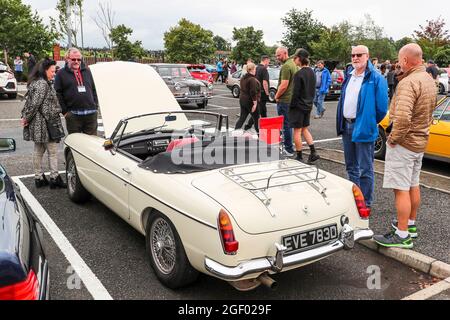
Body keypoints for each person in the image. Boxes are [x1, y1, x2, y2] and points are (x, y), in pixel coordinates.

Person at [373, 44, 437, 249]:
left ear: (406, 61)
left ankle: (402, 235)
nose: (398, 63)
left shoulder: (409, 82)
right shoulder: (428, 79)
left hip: (405, 143)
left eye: (400, 59)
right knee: (412, 184)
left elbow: (402, 118)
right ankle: (410, 224)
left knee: (400, 189)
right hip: (420, 142)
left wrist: (393, 139)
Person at [336, 45, 388, 208]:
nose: (355, 58)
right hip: (347, 125)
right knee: (351, 166)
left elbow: (381, 108)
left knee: (365, 168)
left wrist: (368, 120)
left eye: (359, 55)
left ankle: (366, 202)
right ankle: (355, 199)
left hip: (364, 126)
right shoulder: (349, 75)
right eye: (353, 55)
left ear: (367, 56)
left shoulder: (376, 78)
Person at [21, 58, 67, 189]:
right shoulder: (42, 84)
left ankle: (39, 177)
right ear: (44, 70)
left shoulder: (37, 82)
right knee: (52, 151)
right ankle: (54, 177)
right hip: (45, 123)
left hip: (39, 123)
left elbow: (32, 103)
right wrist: (26, 118)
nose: (54, 73)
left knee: (38, 150)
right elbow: (35, 104)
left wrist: (26, 118)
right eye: (52, 71)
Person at [54, 48, 99, 135]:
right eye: (73, 59)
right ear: (67, 59)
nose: (76, 61)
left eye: (79, 59)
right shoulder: (61, 74)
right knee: (76, 143)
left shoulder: (87, 72)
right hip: (73, 115)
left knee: (91, 143)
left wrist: (95, 106)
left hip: (91, 113)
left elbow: (94, 89)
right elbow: (58, 94)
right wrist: (65, 112)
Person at [289, 49, 320, 164]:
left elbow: (295, 93)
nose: (294, 60)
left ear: (300, 59)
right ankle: (313, 152)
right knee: (305, 129)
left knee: (297, 131)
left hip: (298, 106)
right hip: (308, 105)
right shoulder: (312, 72)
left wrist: (291, 106)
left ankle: (299, 156)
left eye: (295, 57)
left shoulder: (299, 74)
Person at [274, 47, 297, 156]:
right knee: (289, 124)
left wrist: (277, 96)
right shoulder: (293, 64)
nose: (277, 58)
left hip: (284, 100)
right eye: (276, 56)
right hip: (291, 99)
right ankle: (290, 147)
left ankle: (288, 149)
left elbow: (283, 85)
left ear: (285, 53)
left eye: (279, 55)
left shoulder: (286, 66)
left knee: (285, 125)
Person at [245, 55, 270, 130]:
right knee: (259, 112)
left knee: (262, 111)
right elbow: (265, 82)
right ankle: (248, 126)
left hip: (257, 92)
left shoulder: (256, 68)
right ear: (265, 60)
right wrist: (267, 93)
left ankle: (265, 127)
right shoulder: (264, 69)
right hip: (262, 93)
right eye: (268, 61)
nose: (269, 63)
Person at [235, 62, 261, 132]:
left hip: (242, 99)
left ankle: (235, 132)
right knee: (256, 118)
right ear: (252, 69)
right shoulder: (252, 79)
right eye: (255, 69)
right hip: (250, 101)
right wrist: (255, 103)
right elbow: (253, 92)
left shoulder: (243, 78)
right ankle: (258, 134)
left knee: (242, 117)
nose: (255, 70)